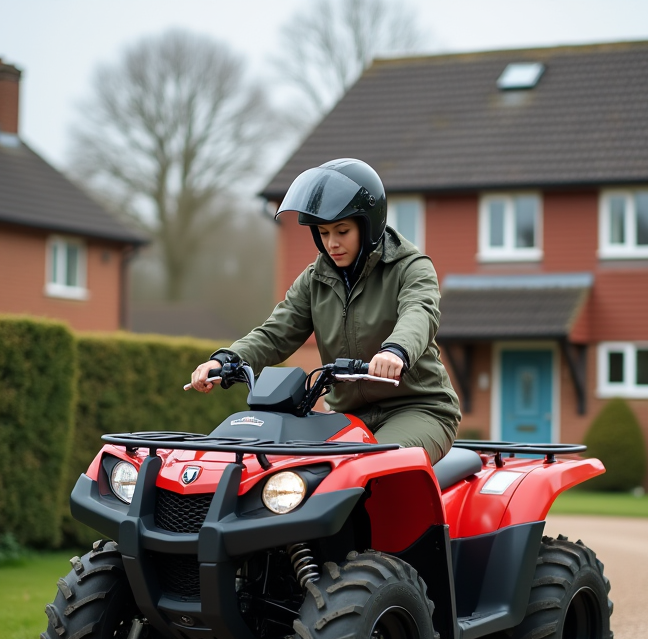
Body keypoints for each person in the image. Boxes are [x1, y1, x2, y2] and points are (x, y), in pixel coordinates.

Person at [189, 158, 461, 464]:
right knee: (289, 468)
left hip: (418, 409)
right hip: (344, 416)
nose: (332, 243)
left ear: (368, 224)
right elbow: (276, 333)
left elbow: (419, 312)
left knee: (372, 467)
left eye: (342, 231)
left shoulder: (410, 267)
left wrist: (396, 352)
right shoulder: (314, 279)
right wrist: (227, 359)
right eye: (323, 232)